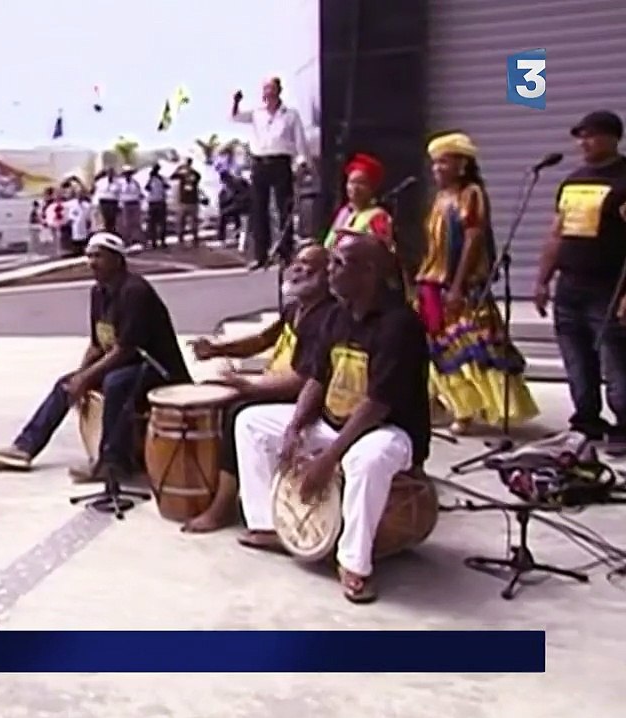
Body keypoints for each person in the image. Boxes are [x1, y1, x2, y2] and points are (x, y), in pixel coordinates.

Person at [233, 234, 431, 604]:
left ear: (368, 272)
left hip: (388, 431)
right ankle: (269, 525)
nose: (331, 272)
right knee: (251, 423)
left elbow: (377, 405)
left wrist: (328, 458)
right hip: (336, 422)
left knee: (365, 459)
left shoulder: (399, 325)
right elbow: (318, 378)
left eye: (340, 264)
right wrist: (296, 425)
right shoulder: (338, 314)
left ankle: (354, 563)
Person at [0, 232, 191, 481]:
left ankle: (111, 464)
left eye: (98, 256)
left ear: (118, 259)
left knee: (116, 383)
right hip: (127, 364)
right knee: (66, 384)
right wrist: (80, 377)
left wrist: (88, 377)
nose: (91, 262)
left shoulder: (135, 291)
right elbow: (97, 344)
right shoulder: (99, 293)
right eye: (89, 256)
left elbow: (126, 349)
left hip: (158, 369)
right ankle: (24, 448)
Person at [184, 245, 336, 532]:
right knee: (215, 394)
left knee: (235, 410)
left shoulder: (327, 316)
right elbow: (263, 339)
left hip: (307, 400)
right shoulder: (297, 307)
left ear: (328, 275)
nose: (300, 269)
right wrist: (216, 349)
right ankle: (228, 487)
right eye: (298, 263)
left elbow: (304, 381)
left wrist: (246, 386)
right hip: (279, 385)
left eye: (310, 266)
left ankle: (224, 505)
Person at [415, 132, 538, 434]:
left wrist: (457, 286)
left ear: (462, 164)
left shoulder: (471, 194)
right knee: (441, 350)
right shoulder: (441, 197)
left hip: (461, 286)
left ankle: (481, 409)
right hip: (433, 281)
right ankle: (459, 408)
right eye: (434, 163)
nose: (437, 169)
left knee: (472, 346)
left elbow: (473, 240)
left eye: (444, 162)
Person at [535, 111, 626, 453]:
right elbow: (556, 233)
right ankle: (586, 419)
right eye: (580, 136)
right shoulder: (573, 181)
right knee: (576, 359)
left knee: (616, 359)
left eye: (591, 136)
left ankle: (624, 425)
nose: (583, 143)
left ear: (612, 138)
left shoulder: (623, 179)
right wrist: (543, 280)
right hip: (570, 287)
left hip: (609, 287)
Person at [231, 77, 311, 269]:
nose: (267, 92)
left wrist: (301, 162)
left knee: (285, 207)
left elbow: (300, 141)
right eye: (265, 88)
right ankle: (261, 255)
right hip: (260, 162)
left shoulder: (290, 114)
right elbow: (235, 117)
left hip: (281, 161)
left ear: (278, 91)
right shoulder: (257, 113)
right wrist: (235, 101)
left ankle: (285, 252)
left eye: (271, 88)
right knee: (259, 209)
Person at [322, 153, 393, 249]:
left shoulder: (378, 216)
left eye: (361, 183)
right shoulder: (344, 212)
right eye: (351, 182)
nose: (355, 188)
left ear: (372, 188)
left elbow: (383, 249)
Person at [171, 158, 202, 245]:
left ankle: (195, 238)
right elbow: (172, 176)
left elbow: (199, 177)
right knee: (182, 221)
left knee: (193, 221)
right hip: (183, 202)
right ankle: (181, 238)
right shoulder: (182, 174)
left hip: (192, 201)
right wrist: (179, 168)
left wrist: (189, 170)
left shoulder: (194, 174)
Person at [117, 166, 145, 245]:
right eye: (126, 173)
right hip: (125, 204)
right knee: (126, 224)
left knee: (136, 223)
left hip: (135, 203)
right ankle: (127, 240)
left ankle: (137, 239)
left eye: (129, 173)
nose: (128, 175)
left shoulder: (135, 182)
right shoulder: (120, 183)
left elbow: (140, 193)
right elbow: (118, 194)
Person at [144, 164, 170, 248]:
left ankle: (161, 240)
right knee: (153, 223)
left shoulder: (161, 178)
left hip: (159, 201)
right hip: (153, 202)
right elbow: (147, 188)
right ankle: (154, 241)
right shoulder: (151, 179)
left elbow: (167, 186)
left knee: (160, 223)